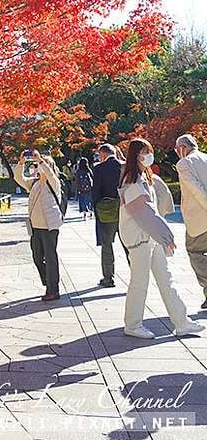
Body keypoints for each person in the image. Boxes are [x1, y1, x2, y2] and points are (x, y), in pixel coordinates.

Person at [118, 138, 204, 339]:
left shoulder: (142, 177)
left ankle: (181, 321)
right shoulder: (132, 181)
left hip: (149, 238)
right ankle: (132, 324)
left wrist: (162, 235)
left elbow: (152, 209)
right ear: (138, 155)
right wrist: (165, 235)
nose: (150, 155)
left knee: (166, 279)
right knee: (140, 282)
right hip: (140, 239)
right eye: (147, 151)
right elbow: (145, 214)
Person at [14, 150, 63, 302]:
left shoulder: (53, 182)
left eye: (40, 164)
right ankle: (47, 281)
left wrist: (41, 160)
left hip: (49, 225)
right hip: (35, 226)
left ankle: (53, 289)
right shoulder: (34, 183)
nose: (37, 167)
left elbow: (50, 174)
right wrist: (21, 162)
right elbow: (18, 178)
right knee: (37, 256)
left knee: (50, 257)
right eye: (36, 164)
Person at [175, 133, 207, 310]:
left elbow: (196, 190)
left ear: (183, 147)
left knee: (195, 252)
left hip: (200, 219)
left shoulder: (184, 163)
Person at [92, 143, 125, 288]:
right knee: (129, 245)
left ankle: (108, 278)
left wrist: (97, 210)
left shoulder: (99, 168)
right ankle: (137, 276)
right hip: (125, 210)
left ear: (103, 154)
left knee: (107, 245)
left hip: (107, 212)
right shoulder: (124, 166)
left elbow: (96, 192)